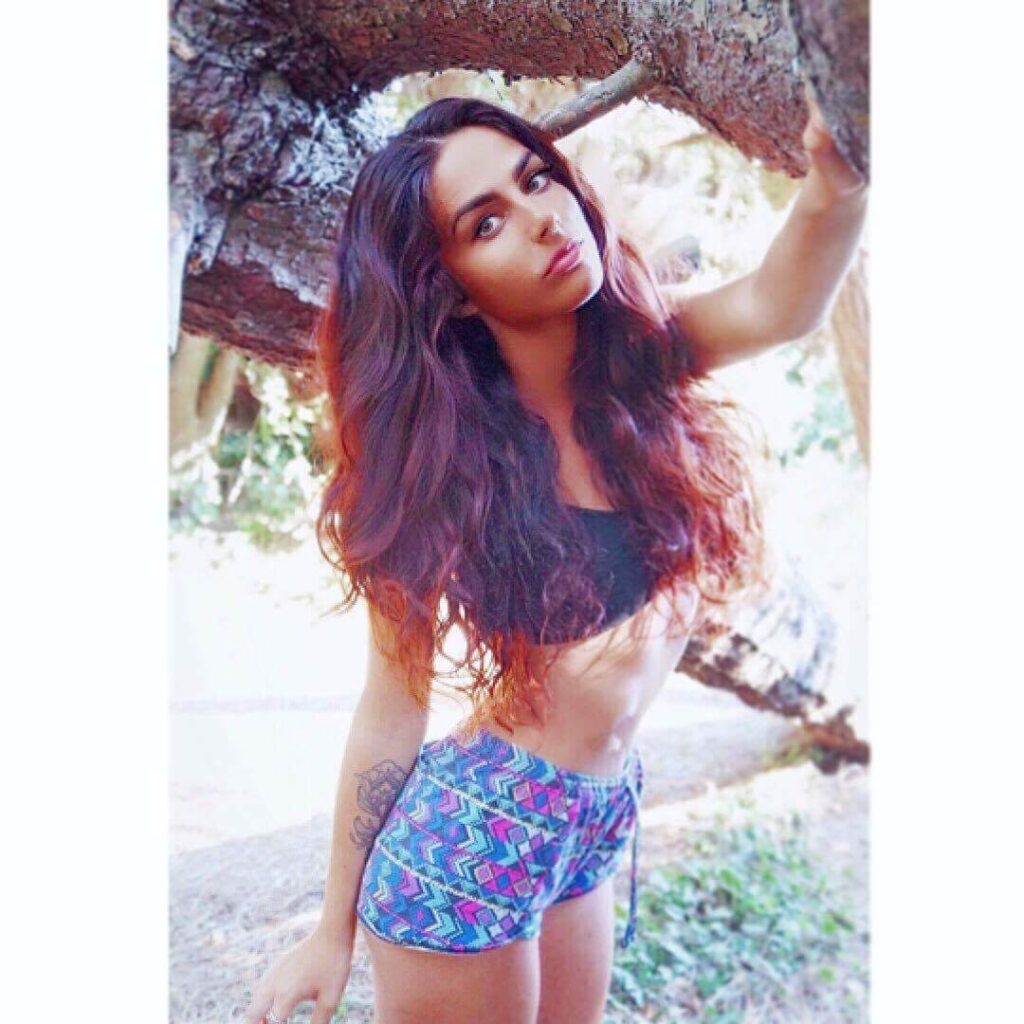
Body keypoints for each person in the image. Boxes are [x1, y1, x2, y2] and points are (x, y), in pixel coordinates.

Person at [245, 91, 868, 1024]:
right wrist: (331, 929)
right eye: (486, 221)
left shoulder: (643, 360)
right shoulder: (436, 469)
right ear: (451, 286)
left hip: (593, 817)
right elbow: (392, 704)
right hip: (470, 842)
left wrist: (836, 183)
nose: (541, 218)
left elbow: (780, 304)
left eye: (537, 179)